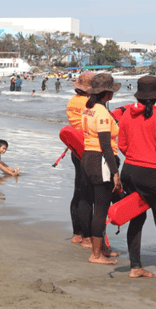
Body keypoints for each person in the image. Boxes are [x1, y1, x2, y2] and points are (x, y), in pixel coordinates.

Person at [118, 76, 156, 281]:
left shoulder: (127, 115)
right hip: (152, 173)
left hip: (129, 171)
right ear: (155, 96)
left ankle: (135, 267)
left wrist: (134, 157)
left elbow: (122, 145)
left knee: (136, 218)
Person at [80, 73, 122, 265]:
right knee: (101, 209)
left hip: (87, 157)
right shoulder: (103, 113)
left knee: (99, 205)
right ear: (106, 93)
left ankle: (102, 249)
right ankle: (96, 255)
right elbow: (106, 145)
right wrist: (115, 173)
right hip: (101, 161)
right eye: (111, 91)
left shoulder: (88, 109)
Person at [65, 71, 95, 246]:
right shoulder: (90, 103)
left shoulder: (72, 102)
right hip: (89, 147)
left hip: (75, 146)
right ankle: (86, 236)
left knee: (78, 190)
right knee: (87, 194)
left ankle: (77, 233)